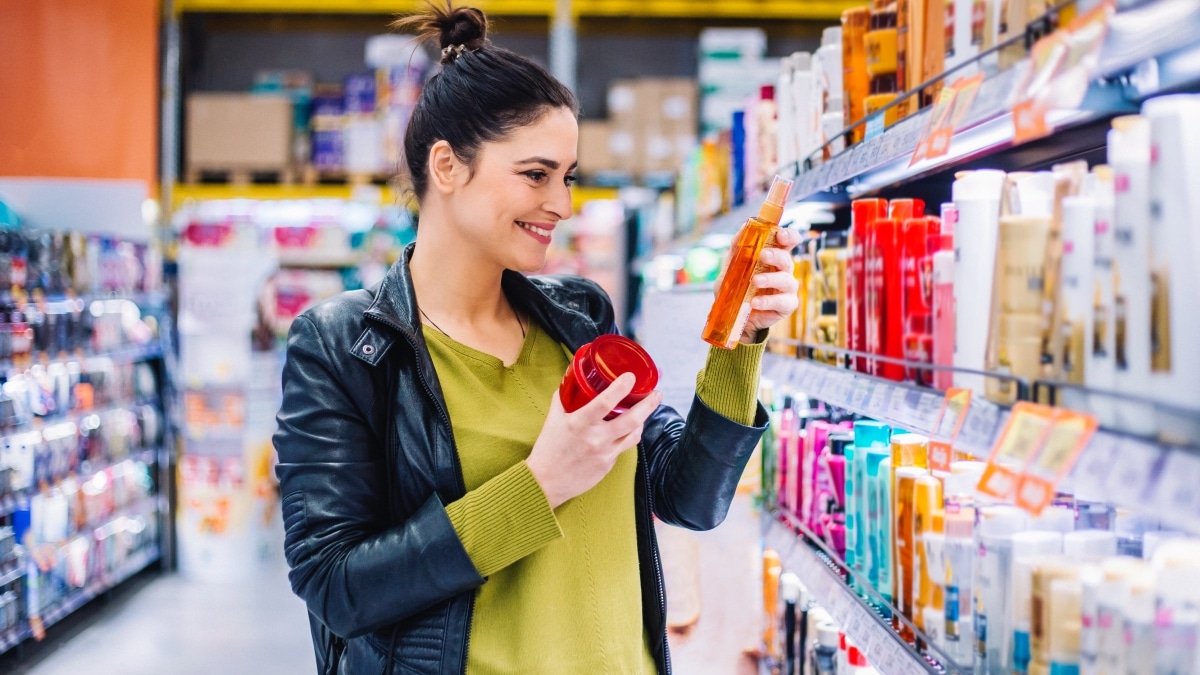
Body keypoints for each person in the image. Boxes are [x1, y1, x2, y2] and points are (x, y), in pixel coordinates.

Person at [273, 3, 801, 673]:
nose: (562, 204)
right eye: (536, 174)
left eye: (568, 177)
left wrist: (741, 338)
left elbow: (690, 496)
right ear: (446, 167)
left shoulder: (577, 318)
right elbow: (337, 586)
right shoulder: (345, 346)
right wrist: (541, 482)